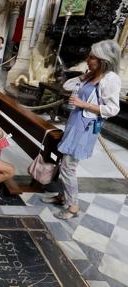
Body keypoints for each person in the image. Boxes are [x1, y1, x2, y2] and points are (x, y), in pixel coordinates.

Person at [45, 40, 121, 220]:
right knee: (65, 163)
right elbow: (66, 87)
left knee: (68, 167)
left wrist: (83, 104)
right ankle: (63, 196)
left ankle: (73, 206)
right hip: (74, 124)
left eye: (92, 57)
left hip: (84, 129)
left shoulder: (110, 79)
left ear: (104, 59)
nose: (88, 59)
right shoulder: (92, 75)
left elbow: (113, 109)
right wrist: (83, 77)